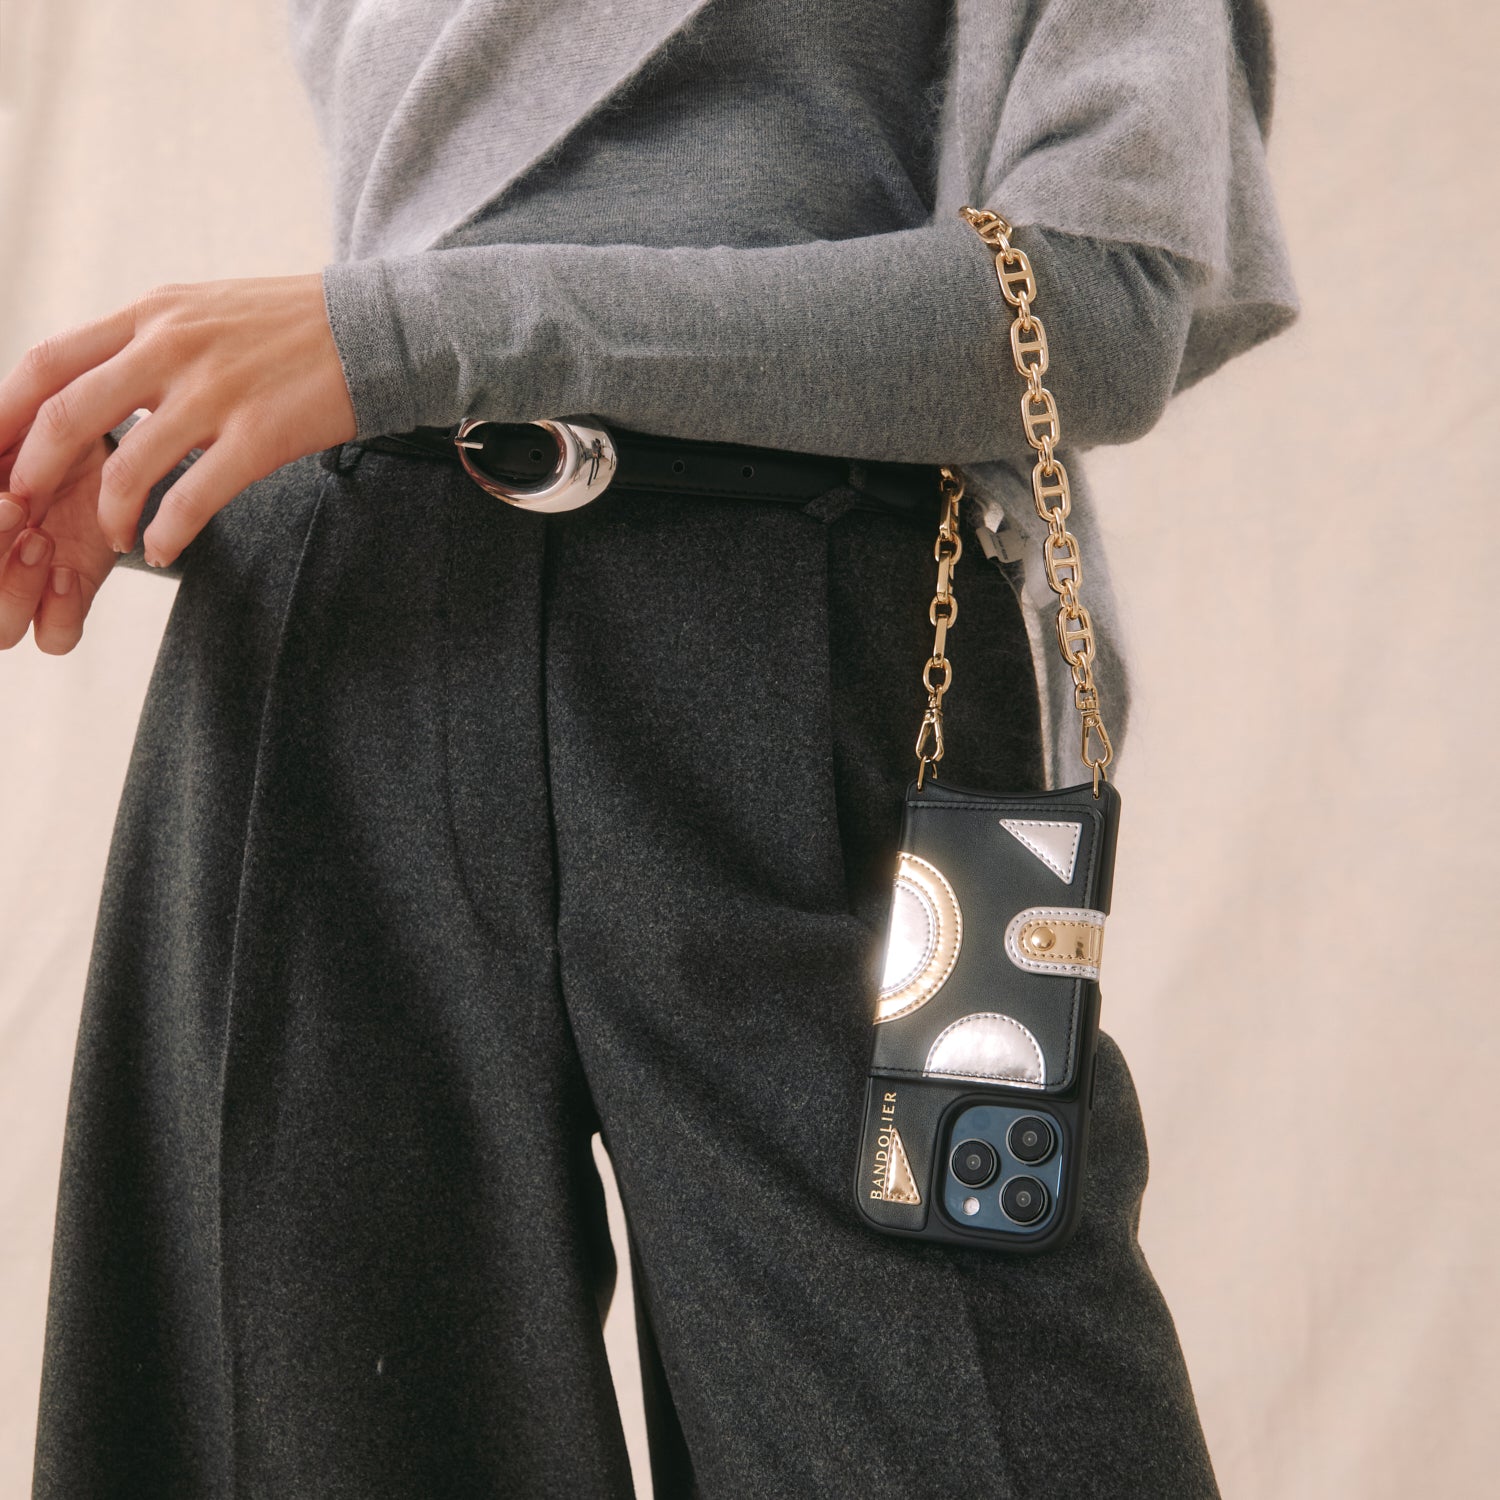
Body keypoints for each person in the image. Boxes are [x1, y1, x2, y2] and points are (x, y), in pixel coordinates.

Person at [7, 2, 1296, 1495]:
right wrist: (153, 461)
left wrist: (413, 338)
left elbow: (1092, 301)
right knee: (300, 1436)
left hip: (811, 659)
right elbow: (429, 258)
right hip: (343, 645)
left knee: (977, 1412)